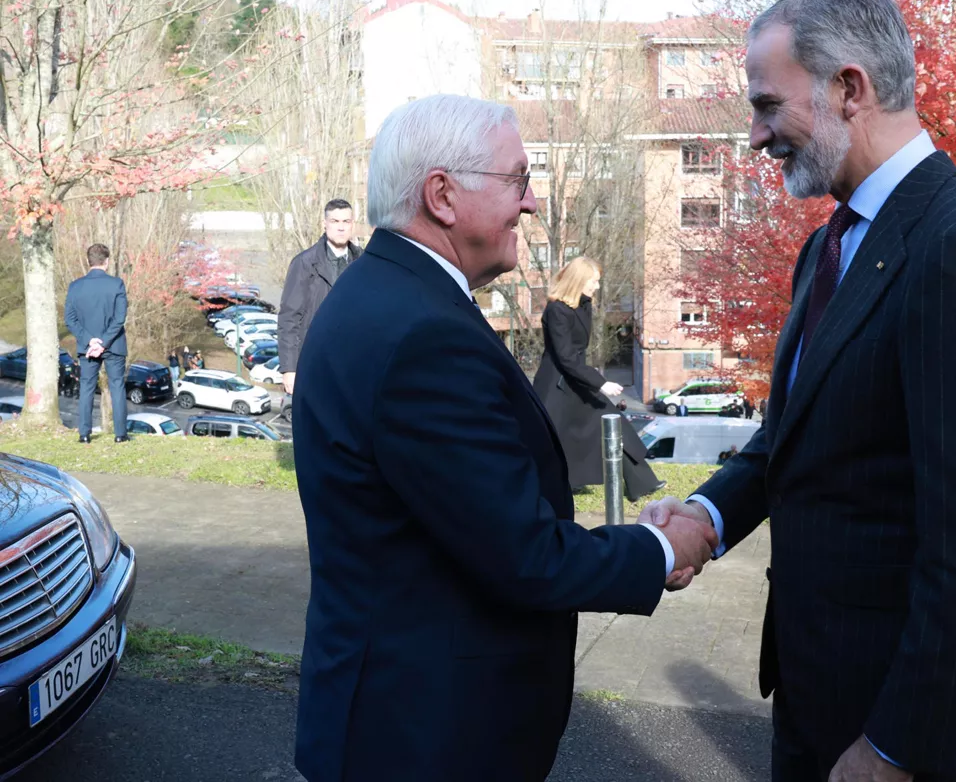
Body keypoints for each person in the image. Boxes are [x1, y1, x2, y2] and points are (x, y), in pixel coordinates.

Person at [641, 0, 956, 782]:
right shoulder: (832, 243)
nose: (756, 137)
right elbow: (797, 438)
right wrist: (703, 516)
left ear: (849, 88)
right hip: (821, 696)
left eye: (766, 105)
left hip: (910, 730)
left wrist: (897, 746)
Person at [291, 94, 718, 782]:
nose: (530, 203)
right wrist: (665, 545)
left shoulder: (392, 296)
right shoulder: (421, 333)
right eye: (518, 179)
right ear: (443, 195)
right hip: (421, 739)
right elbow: (525, 555)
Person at [532, 256, 665, 501]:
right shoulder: (556, 311)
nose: (597, 286)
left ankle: (642, 483)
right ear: (579, 280)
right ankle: (562, 486)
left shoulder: (583, 305)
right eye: (593, 281)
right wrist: (601, 382)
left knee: (615, 424)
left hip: (575, 381)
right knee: (553, 442)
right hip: (558, 387)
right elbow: (566, 358)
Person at [278, 198, 363, 395]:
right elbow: (289, 318)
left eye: (346, 222)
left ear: (352, 224)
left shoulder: (364, 262)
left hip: (354, 365)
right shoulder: (304, 264)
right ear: (324, 223)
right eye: (335, 221)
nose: (341, 228)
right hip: (315, 362)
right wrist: (289, 369)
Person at [64, 243, 130, 443]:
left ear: (88, 261)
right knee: (117, 386)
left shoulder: (75, 287)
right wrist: (104, 342)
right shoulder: (116, 284)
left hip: (88, 346)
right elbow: (120, 318)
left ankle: (84, 434)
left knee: (86, 388)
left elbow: (70, 319)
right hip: (114, 344)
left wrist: (89, 340)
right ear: (106, 262)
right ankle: (120, 435)